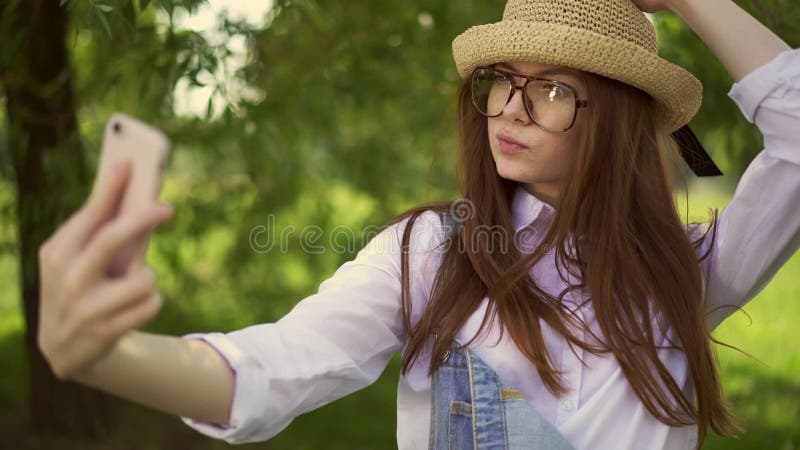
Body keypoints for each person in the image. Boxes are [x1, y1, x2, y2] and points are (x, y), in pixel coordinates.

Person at [37, 0, 798, 449]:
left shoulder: (686, 271)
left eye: (555, 90)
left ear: (620, 122)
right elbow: (275, 365)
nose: (510, 108)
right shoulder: (436, 253)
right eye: (504, 83)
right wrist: (111, 357)